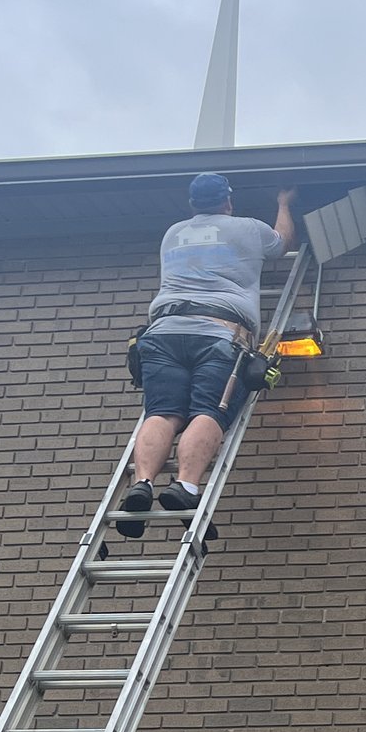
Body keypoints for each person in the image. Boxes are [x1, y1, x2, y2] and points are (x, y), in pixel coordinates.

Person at [117, 173, 298, 536]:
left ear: (191, 204)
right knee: (209, 411)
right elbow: (282, 243)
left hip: (163, 332)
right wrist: (283, 204)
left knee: (161, 412)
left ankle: (143, 482)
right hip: (219, 332)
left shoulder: (173, 233)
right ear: (228, 201)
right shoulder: (248, 228)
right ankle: (185, 486)